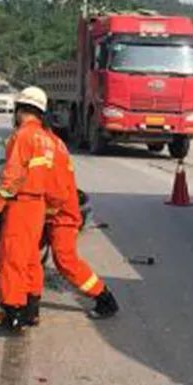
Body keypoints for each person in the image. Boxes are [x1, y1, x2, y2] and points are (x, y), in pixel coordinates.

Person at [0, 86, 55, 332]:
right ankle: (31, 310)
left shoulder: (22, 136)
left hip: (21, 205)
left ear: (20, 109)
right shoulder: (47, 139)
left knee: (12, 259)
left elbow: (13, 175)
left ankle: (13, 315)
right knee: (31, 259)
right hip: (38, 206)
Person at [40, 114, 119, 320]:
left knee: (66, 261)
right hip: (59, 212)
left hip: (61, 215)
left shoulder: (48, 148)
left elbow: (55, 192)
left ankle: (104, 297)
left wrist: (43, 211)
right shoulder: (53, 145)